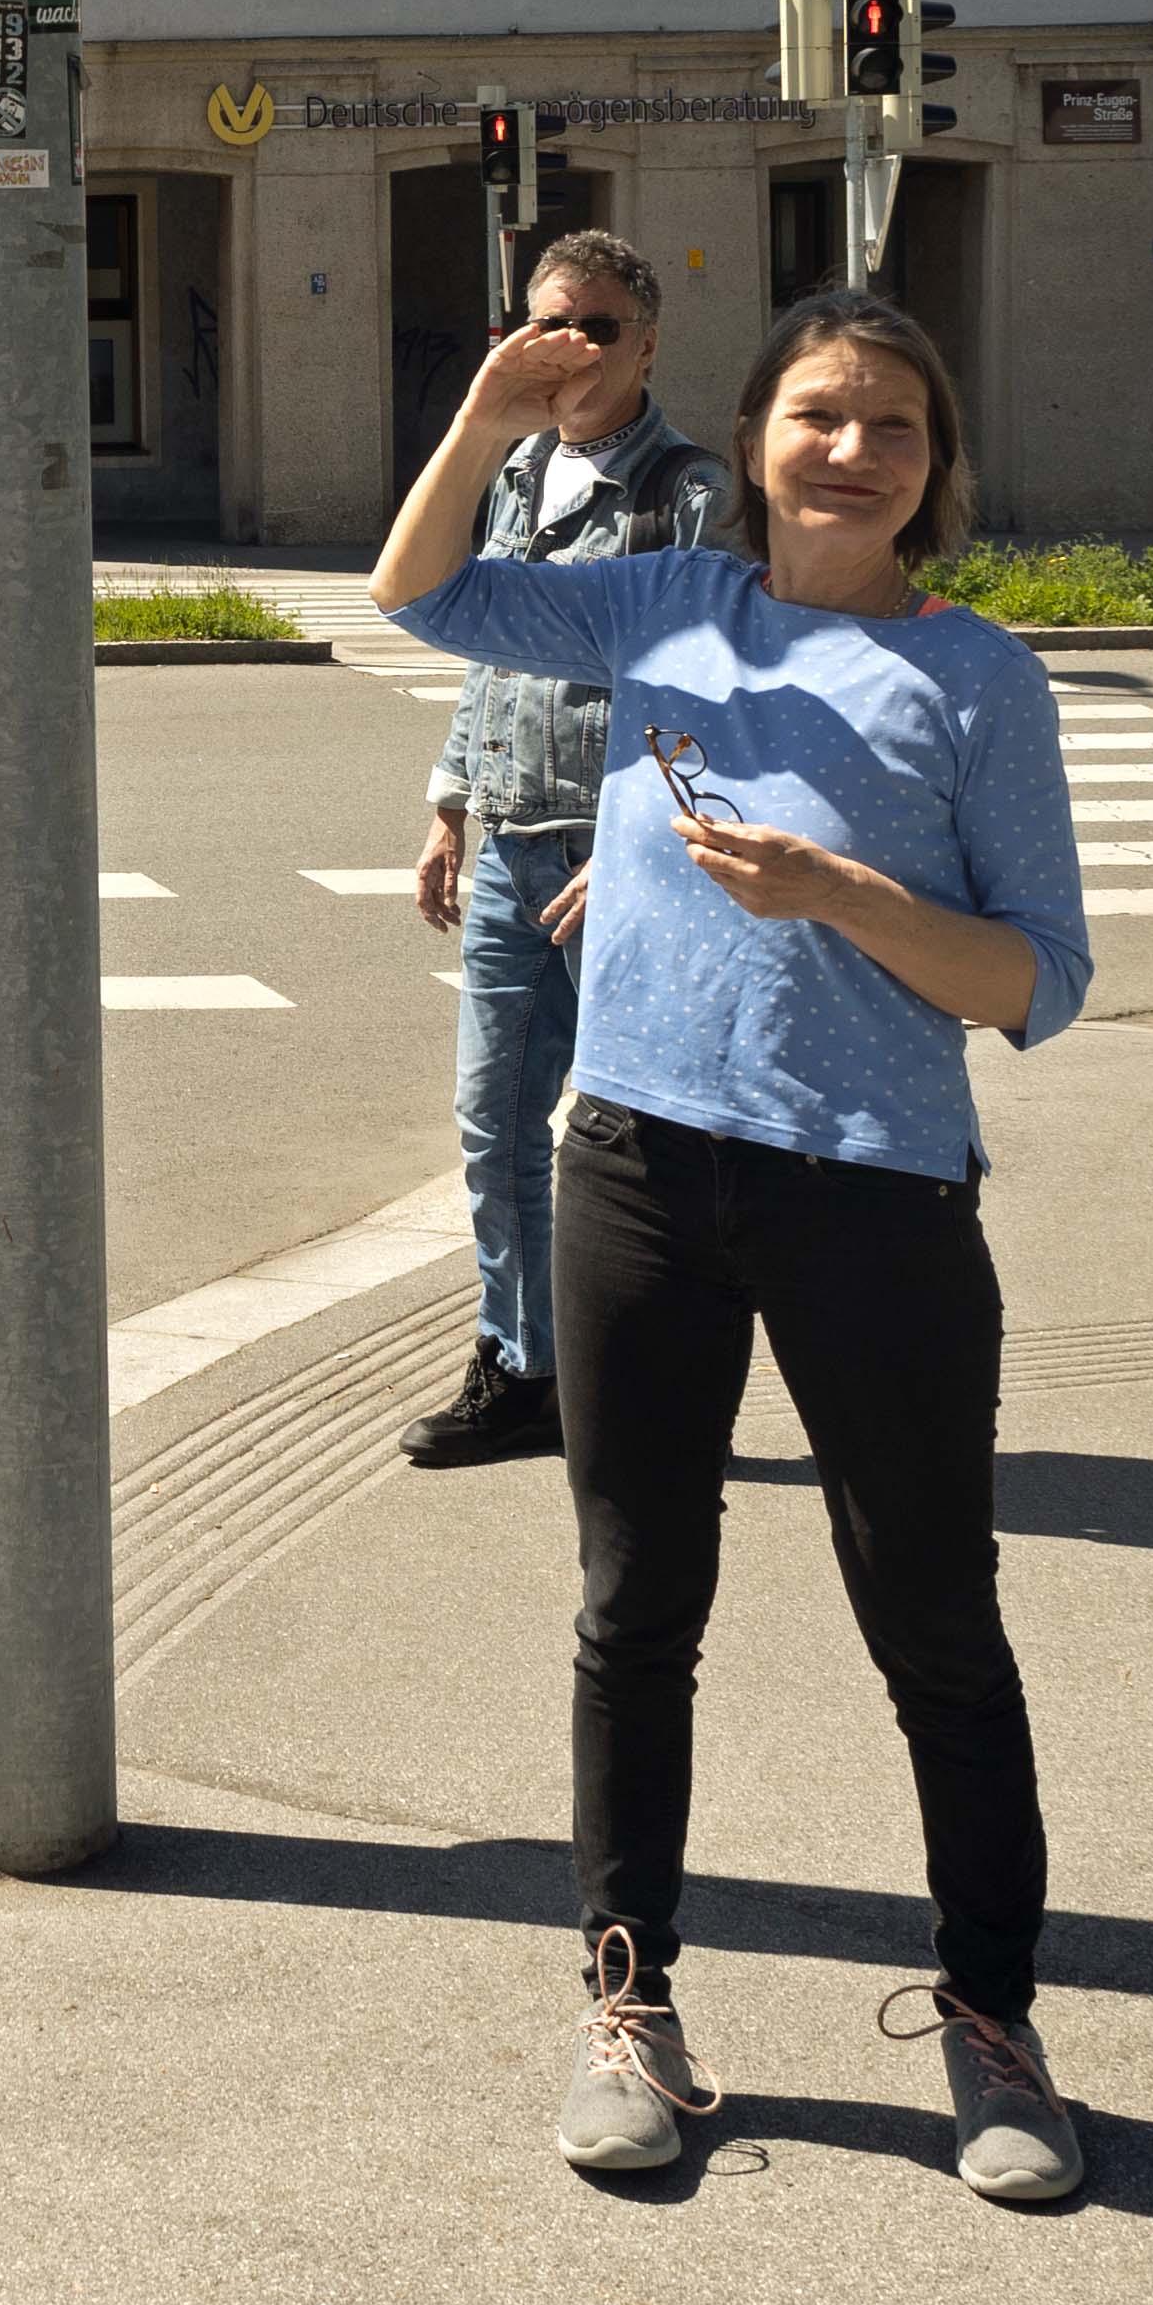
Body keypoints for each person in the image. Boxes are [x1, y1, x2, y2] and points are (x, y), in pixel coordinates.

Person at [368, 287, 1100, 2208]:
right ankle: (630, 2007)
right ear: (757, 437)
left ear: (933, 465)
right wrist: (482, 409)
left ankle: (992, 2023)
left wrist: (845, 894)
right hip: (633, 1169)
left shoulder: (975, 679)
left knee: (934, 1618)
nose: (850, 452)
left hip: (872, 1189)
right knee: (634, 1608)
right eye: (816, 416)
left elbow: (1037, 979)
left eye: (891, 427)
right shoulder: (659, 606)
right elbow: (417, 596)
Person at [400, 228, 733, 1472]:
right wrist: (449, 802)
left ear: (647, 342)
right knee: (493, 1125)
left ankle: (643, 1384)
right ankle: (522, 1363)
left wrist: (647, 841)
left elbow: (706, 687)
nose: (571, 347)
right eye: (549, 322)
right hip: (510, 847)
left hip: (617, 859)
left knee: (639, 1144)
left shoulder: (688, 493)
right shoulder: (513, 471)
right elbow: (485, 636)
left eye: (597, 325)